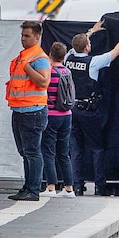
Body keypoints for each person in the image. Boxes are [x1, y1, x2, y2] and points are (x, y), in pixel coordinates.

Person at [65, 17, 119, 196]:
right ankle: (100, 185)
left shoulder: (68, 58)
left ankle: (77, 185)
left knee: (75, 150)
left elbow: (76, 45)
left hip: (71, 110)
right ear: (88, 47)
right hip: (89, 111)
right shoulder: (93, 62)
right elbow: (117, 51)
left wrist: (91, 32)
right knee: (96, 148)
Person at [5, 20, 50, 201]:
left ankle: (33, 190)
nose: (23, 39)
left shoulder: (38, 58)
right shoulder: (25, 56)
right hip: (20, 109)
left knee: (32, 152)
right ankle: (28, 187)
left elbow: (43, 81)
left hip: (33, 111)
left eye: (27, 36)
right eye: (22, 35)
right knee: (25, 152)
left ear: (37, 37)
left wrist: (28, 68)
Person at [40, 42, 76, 198]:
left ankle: (51, 187)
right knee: (64, 153)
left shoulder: (50, 72)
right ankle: (69, 188)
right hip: (67, 115)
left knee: (48, 152)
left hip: (52, 115)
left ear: (50, 54)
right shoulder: (67, 71)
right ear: (63, 56)